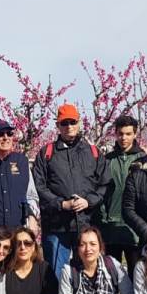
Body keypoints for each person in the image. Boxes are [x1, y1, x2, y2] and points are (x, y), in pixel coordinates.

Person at [34, 104, 107, 280]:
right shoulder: (47, 153)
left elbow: (104, 183)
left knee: (89, 272)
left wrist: (89, 201)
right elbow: (39, 186)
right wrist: (61, 204)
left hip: (86, 225)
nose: (69, 127)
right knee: (56, 275)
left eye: (72, 122)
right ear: (58, 126)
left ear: (79, 123)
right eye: (64, 123)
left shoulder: (93, 152)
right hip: (57, 226)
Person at [97, 115, 145, 272]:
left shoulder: (143, 160)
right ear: (115, 134)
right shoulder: (107, 160)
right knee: (112, 275)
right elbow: (100, 190)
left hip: (135, 229)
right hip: (111, 227)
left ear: (135, 134)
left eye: (128, 134)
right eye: (120, 134)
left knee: (136, 274)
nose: (124, 138)